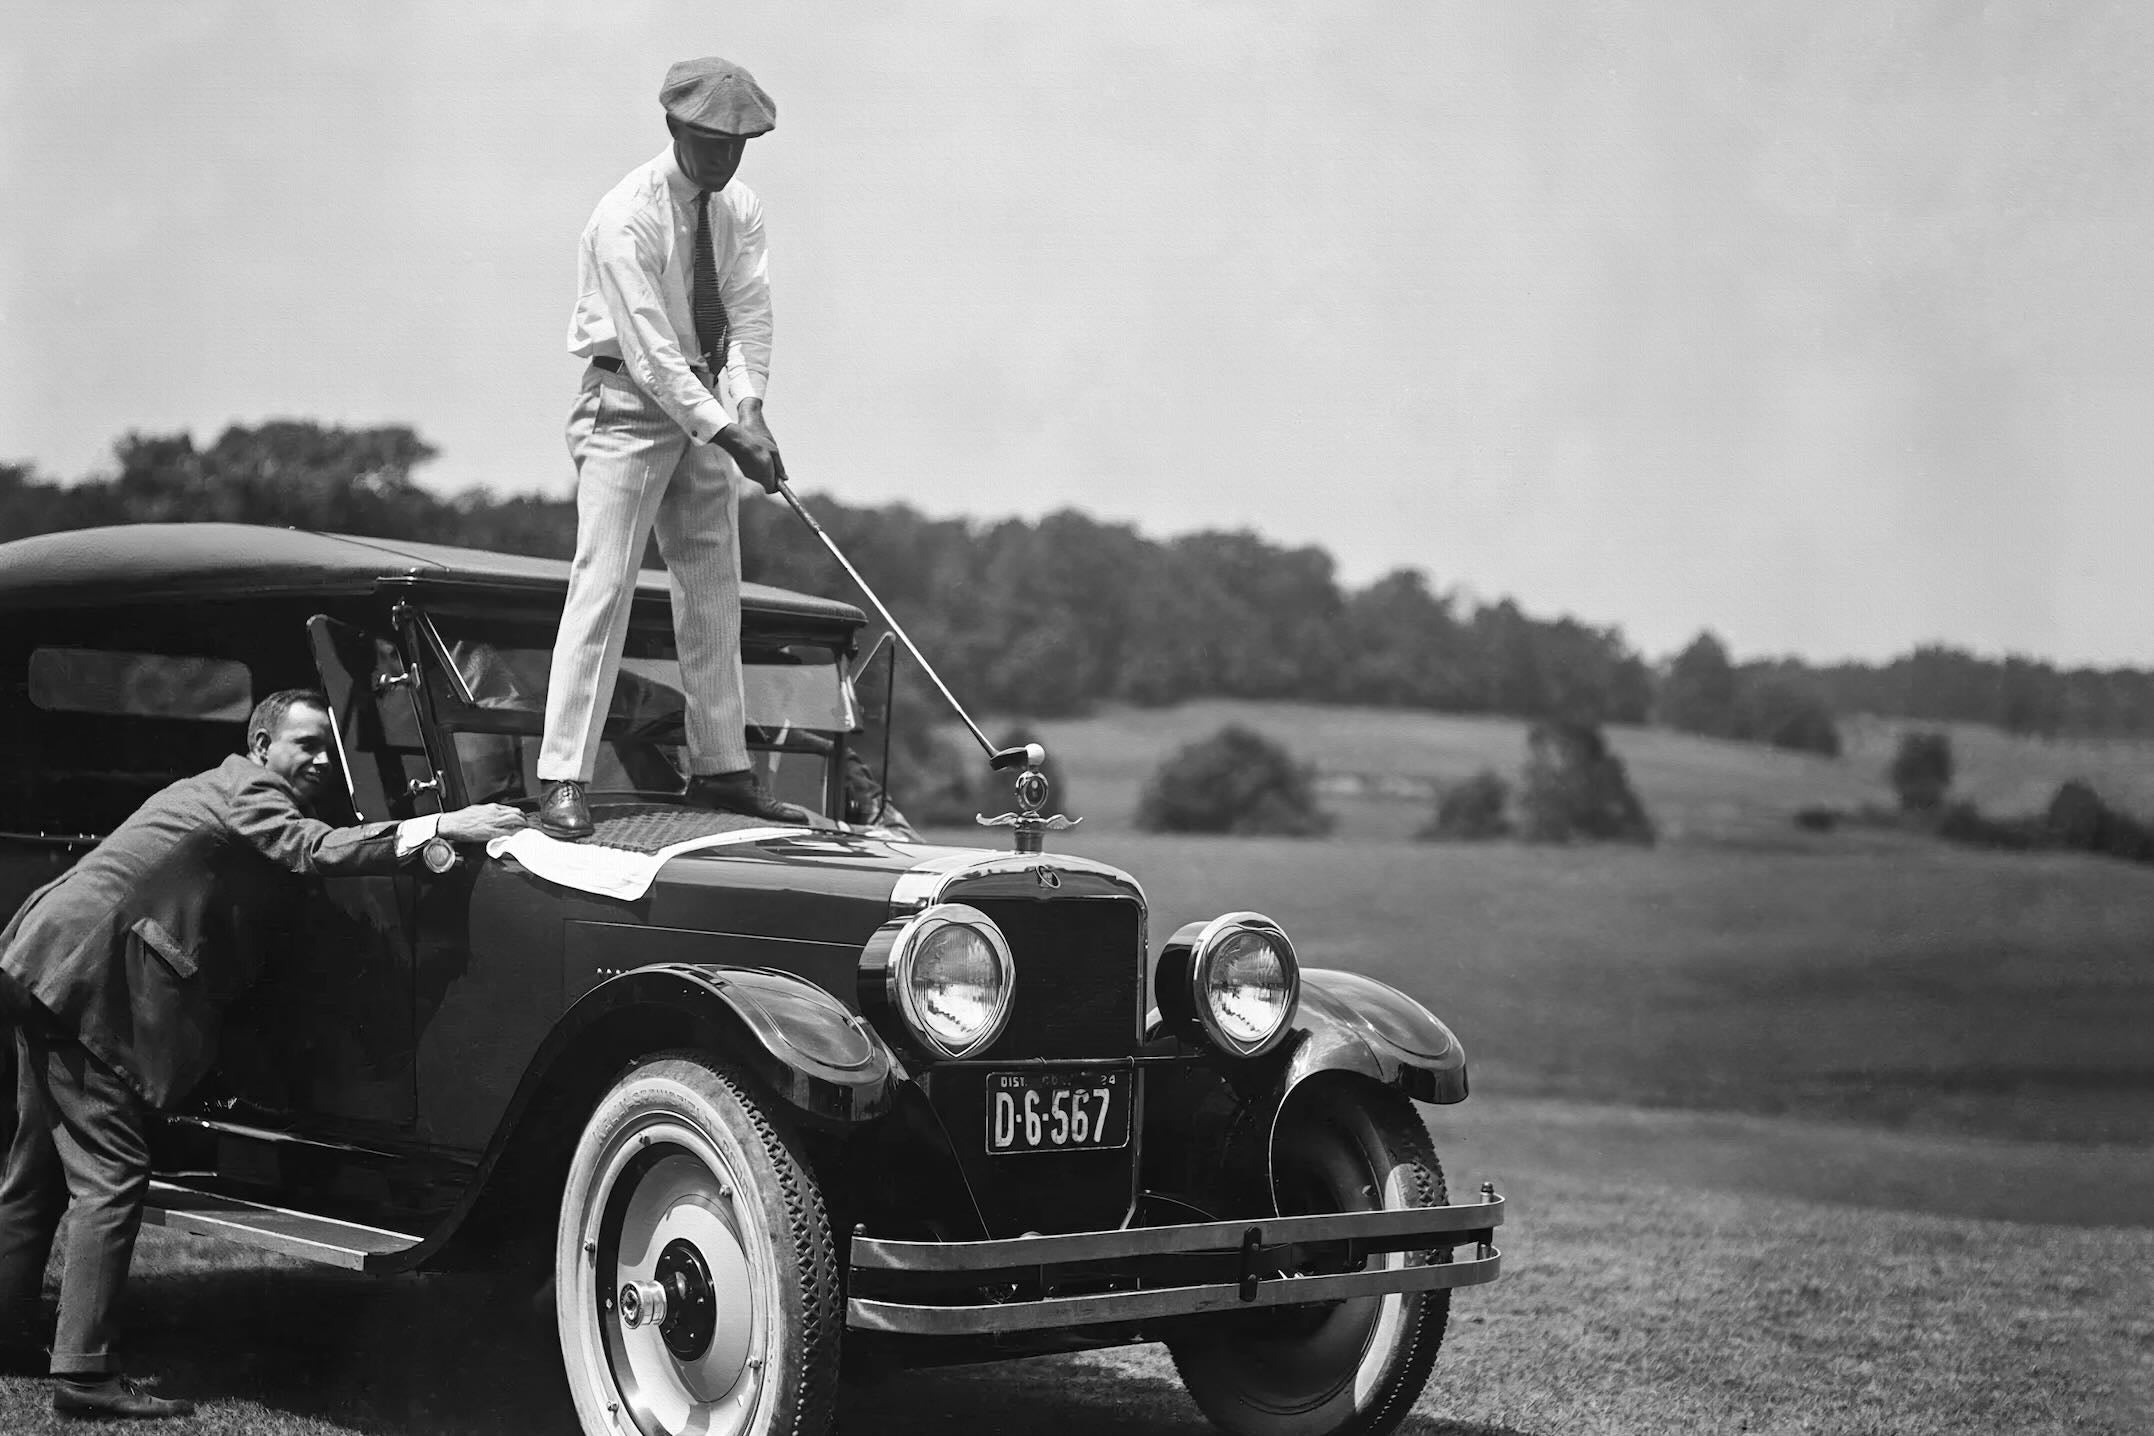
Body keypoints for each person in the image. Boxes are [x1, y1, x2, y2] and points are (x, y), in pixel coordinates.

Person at [0, 689, 526, 1418]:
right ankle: (83, 1376)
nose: (317, 759)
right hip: (89, 978)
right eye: (303, 744)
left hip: (50, 960)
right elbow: (306, 849)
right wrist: (442, 824)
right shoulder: (249, 789)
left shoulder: (223, 787)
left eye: (325, 747)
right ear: (260, 745)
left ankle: (5, 1331)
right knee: (113, 1175)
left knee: (34, 1175)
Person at [538, 55, 802, 840]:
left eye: (739, 144)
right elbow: (650, 350)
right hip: (624, 405)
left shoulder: (740, 205)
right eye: (712, 143)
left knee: (714, 585)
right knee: (606, 582)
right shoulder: (626, 215)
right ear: (675, 129)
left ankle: (721, 768)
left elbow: (749, 314)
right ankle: (562, 777)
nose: (725, 159)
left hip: (703, 405)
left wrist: (749, 406)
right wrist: (727, 431)